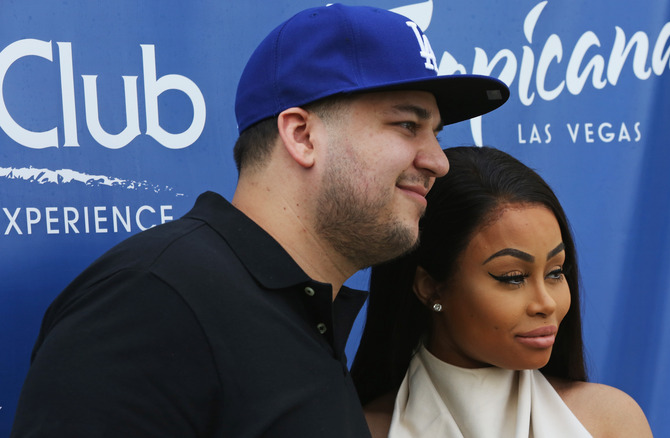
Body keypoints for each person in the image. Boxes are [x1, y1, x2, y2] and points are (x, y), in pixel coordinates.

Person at [10, 5, 509, 437]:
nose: (438, 160)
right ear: (301, 135)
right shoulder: (152, 299)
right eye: (407, 125)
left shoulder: (303, 308)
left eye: (436, 133)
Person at [351, 146, 653, 438]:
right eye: (513, 277)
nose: (546, 303)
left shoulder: (610, 422)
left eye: (556, 273)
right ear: (430, 288)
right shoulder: (363, 430)